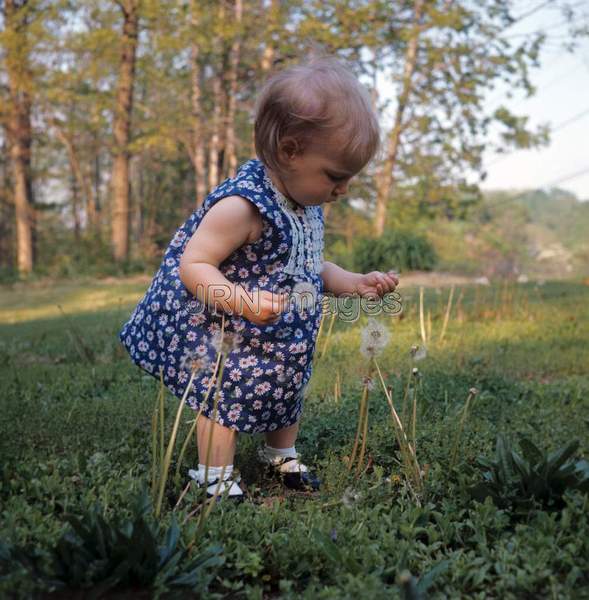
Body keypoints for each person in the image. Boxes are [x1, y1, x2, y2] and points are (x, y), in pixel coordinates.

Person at [119, 55, 399, 501]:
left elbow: (308, 265)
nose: (343, 190)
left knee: (289, 388)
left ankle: (280, 455)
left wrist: (353, 282)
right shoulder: (243, 207)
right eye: (335, 176)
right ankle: (214, 476)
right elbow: (193, 265)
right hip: (228, 331)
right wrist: (238, 300)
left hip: (280, 334)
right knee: (222, 398)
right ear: (290, 151)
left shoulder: (305, 203)